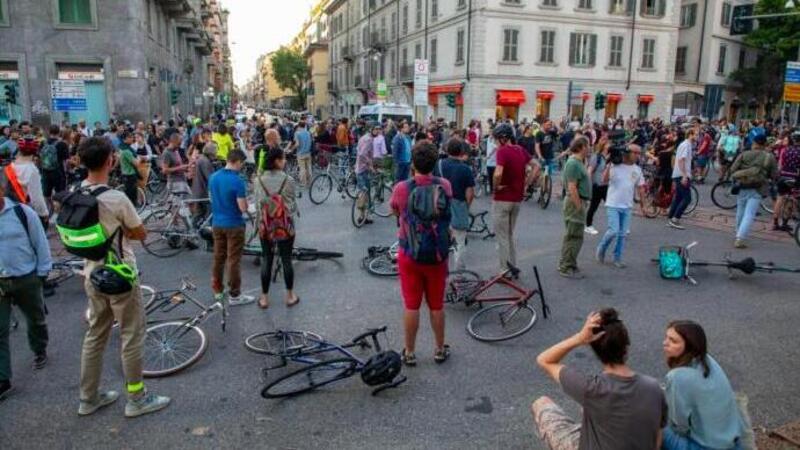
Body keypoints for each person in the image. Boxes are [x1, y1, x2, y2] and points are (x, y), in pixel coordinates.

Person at [75, 137, 170, 417]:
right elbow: (140, 233)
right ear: (110, 161)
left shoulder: (77, 191)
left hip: (91, 273)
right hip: (120, 275)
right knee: (131, 335)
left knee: (95, 335)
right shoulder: (115, 198)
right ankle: (136, 398)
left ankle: (88, 398)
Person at [533, 308, 667, 450]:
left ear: (595, 349)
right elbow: (657, 438)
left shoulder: (591, 388)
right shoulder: (654, 388)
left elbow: (544, 360)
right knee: (589, 408)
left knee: (541, 403)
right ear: (626, 347)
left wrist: (579, 338)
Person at [390, 142, 453, 366]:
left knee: (411, 305)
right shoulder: (444, 185)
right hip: (437, 254)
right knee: (436, 305)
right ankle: (439, 348)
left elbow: (395, 210)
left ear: (413, 163)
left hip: (410, 252)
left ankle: (409, 351)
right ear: (435, 163)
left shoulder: (401, 188)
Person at [0, 181, 52, 401]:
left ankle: (39, 349)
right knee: (0, 330)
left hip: (26, 277)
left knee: (35, 319)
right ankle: (3, 379)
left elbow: (40, 242)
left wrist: (42, 272)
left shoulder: (22, 212)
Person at [662, 321, 744, 450]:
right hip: (734, 442)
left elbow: (679, 428)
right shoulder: (708, 360)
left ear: (689, 346)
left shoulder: (677, 377)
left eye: (673, 341)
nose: (665, 343)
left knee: (652, 422)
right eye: (666, 337)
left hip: (706, 447)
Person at [254, 146, 300, 309]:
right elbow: (292, 204)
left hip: (265, 226)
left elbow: (258, 204)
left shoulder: (258, 180)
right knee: (286, 259)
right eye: (283, 158)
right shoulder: (289, 180)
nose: (285, 161)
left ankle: (264, 298)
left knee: (267, 259)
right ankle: (289, 296)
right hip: (284, 226)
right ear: (277, 161)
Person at [208, 149, 254, 306]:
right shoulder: (237, 181)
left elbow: (211, 198)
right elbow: (242, 207)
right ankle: (235, 295)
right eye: (242, 164)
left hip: (217, 223)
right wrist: (249, 206)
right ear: (238, 162)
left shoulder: (213, 177)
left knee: (218, 258)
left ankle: (218, 291)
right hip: (234, 224)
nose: (242, 167)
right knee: (233, 260)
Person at [492, 124, 536, 272]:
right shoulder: (521, 150)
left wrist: (496, 186)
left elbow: (498, 173)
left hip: (502, 199)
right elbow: (536, 166)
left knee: (502, 236)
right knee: (509, 234)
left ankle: (504, 271)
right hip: (516, 199)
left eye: (497, 139)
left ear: (503, 138)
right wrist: (526, 184)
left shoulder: (502, 151)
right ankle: (512, 266)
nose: (496, 142)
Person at [595, 145, 646, 268]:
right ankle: (601, 248)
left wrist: (643, 206)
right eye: (636, 153)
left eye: (640, 153)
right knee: (613, 231)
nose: (638, 156)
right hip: (613, 204)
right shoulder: (615, 166)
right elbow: (604, 180)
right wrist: (608, 165)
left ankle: (617, 258)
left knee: (622, 234)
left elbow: (641, 188)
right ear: (628, 153)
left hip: (627, 206)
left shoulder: (637, 170)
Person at [729, 134, 778, 248]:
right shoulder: (769, 157)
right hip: (758, 188)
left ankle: (738, 232)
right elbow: (774, 174)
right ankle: (740, 238)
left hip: (742, 186)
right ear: (765, 144)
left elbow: (733, 169)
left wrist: (743, 174)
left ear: (754, 143)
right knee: (749, 214)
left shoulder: (744, 154)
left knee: (740, 210)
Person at [438, 138, 475, 270]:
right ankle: (459, 272)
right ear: (461, 152)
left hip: (441, 205)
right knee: (459, 241)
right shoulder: (465, 169)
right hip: (459, 205)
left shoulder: (439, 164)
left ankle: (442, 270)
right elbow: (470, 192)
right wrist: (466, 206)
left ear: (447, 150)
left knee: (441, 238)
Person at [558, 137, 591, 279]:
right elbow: (572, 187)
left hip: (579, 202)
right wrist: (579, 207)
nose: (589, 148)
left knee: (576, 235)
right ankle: (565, 266)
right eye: (588, 145)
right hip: (574, 203)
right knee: (573, 235)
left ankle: (570, 262)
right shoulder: (573, 163)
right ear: (582, 146)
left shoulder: (578, 162)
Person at [5, 137, 49, 223]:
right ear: (35, 152)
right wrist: (44, 213)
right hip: (23, 211)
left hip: (8, 209)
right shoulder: (32, 170)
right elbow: (36, 198)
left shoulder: (10, 166)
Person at [667, 128, 696, 230]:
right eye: (695, 134)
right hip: (681, 175)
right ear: (690, 134)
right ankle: (675, 219)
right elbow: (681, 160)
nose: (697, 136)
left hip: (678, 174)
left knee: (678, 197)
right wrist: (684, 175)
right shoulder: (686, 145)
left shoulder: (685, 144)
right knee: (687, 198)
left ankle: (671, 217)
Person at [772, 131, 800, 231]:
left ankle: (775, 222)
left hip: (783, 175)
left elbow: (780, 164)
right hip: (794, 177)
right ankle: (784, 223)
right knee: (791, 199)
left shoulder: (785, 150)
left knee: (780, 198)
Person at [40, 125, 70, 208]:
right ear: (59, 133)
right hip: (58, 172)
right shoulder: (62, 144)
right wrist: (67, 171)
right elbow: (66, 161)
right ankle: (59, 209)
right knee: (60, 193)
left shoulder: (43, 142)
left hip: (45, 171)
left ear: (49, 132)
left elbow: (39, 157)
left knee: (46, 194)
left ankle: (50, 208)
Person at [584, 137, 609, 235]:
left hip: (605, 186)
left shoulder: (607, 157)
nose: (610, 146)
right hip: (597, 186)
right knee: (593, 206)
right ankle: (588, 225)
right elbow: (589, 171)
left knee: (611, 206)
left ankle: (615, 226)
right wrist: (589, 186)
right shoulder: (596, 157)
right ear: (604, 146)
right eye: (608, 144)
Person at [355, 126, 377, 224]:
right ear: (371, 129)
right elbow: (362, 154)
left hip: (360, 168)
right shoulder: (368, 140)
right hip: (363, 169)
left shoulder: (364, 137)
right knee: (364, 193)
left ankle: (364, 216)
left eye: (379, 129)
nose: (378, 131)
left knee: (364, 192)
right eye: (375, 129)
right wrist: (370, 165)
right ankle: (361, 216)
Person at [191, 142, 216, 222]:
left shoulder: (202, 159)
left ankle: (195, 229)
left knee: (200, 212)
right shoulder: (205, 162)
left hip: (198, 189)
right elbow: (210, 178)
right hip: (202, 191)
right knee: (208, 212)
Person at [117, 131, 141, 206]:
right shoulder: (126, 151)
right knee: (131, 196)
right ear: (124, 139)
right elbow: (136, 163)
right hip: (130, 174)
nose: (132, 138)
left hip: (125, 173)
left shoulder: (121, 147)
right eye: (130, 137)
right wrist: (139, 158)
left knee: (128, 193)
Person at [290, 121, 313, 188]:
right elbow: (311, 142)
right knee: (309, 167)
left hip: (300, 153)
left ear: (299, 126)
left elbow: (297, 144)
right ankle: (310, 181)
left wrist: (292, 149)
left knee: (302, 168)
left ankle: (303, 183)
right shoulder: (308, 133)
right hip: (308, 153)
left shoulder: (297, 133)